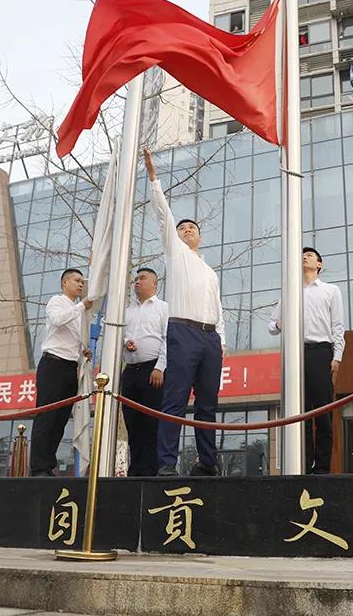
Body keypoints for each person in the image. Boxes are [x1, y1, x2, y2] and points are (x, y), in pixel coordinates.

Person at [144, 149, 226, 477]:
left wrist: (222, 339)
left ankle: (208, 462)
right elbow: (163, 214)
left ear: (200, 236)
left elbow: (218, 307)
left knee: (207, 404)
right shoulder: (175, 253)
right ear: (175, 236)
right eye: (183, 228)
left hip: (210, 338)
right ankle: (166, 463)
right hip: (182, 333)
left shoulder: (210, 271)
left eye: (192, 227)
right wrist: (154, 180)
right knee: (175, 400)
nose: (187, 230)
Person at [268, 247, 346, 474]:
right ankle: (302, 464)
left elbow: (338, 327)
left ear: (319, 264)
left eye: (310, 255)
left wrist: (337, 357)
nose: (304, 257)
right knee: (299, 412)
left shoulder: (331, 291)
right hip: (296, 353)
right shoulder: (290, 292)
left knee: (323, 412)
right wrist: (280, 324)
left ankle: (321, 468)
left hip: (322, 353)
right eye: (302, 255)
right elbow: (272, 326)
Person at [30, 269, 94, 477]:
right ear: (64, 282)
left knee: (60, 420)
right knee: (47, 417)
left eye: (82, 282)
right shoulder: (56, 301)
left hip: (70, 368)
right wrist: (82, 306)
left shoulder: (79, 311)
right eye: (76, 280)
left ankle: (48, 465)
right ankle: (38, 468)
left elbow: (73, 337)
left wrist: (83, 349)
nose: (80, 285)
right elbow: (58, 320)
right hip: (53, 365)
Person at [121, 268, 168, 477]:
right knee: (132, 422)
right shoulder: (126, 311)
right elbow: (118, 335)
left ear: (154, 284)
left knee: (152, 423)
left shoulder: (163, 308)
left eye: (143, 278)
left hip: (153, 370)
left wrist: (160, 367)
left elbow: (168, 339)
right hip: (130, 371)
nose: (137, 282)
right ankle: (136, 470)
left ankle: (151, 470)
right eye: (136, 279)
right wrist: (126, 342)